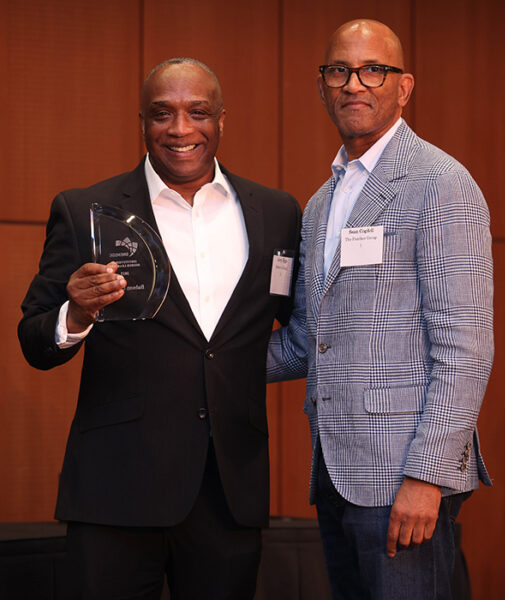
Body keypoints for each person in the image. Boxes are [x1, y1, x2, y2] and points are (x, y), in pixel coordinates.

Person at [18, 58, 301, 600]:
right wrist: (75, 315)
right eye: (162, 114)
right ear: (142, 122)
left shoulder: (277, 212)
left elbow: (295, 328)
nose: (180, 129)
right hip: (114, 493)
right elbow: (34, 340)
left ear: (221, 120)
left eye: (198, 112)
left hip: (228, 493)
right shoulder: (85, 212)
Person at [267, 19, 493, 600]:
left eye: (374, 70)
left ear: (404, 86)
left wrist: (427, 476)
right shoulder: (322, 202)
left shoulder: (441, 183)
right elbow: (307, 341)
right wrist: (203, 353)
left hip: (404, 481)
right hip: (337, 476)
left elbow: (464, 349)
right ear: (322, 86)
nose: (353, 84)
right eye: (338, 70)